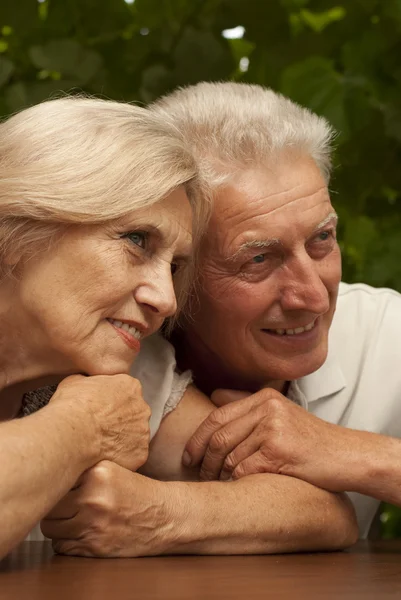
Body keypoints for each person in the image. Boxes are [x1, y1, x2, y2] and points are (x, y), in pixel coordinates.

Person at [38, 85, 361, 558]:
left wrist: (355, 455)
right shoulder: (113, 345)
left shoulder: (127, 365)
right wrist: (73, 433)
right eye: (257, 259)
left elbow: (327, 514)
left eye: (322, 239)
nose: (313, 296)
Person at [0, 95, 207, 559]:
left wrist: (163, 511)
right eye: (137, 240)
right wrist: (83, 428)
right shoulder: (98, 403)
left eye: (175, 266)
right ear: (16, 228)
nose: (166, 300)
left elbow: (321, 512)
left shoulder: (114, 373)